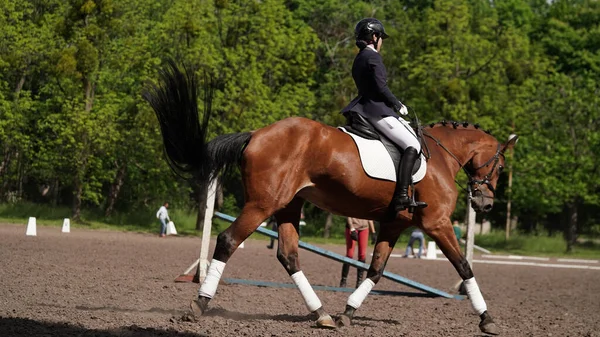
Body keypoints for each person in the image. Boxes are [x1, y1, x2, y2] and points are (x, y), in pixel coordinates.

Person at [341, 18, 427, 214]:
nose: (382, 42)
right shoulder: (373, 57)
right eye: (381, 38)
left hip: (361, 107)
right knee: (412, 145)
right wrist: (397, 104)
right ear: (374, 37)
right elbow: (381, 87)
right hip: (376, 110)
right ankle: (402, 195)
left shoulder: (359, 57)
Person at [340, 217, 376, 288]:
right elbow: (348, 215)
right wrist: (352, 228)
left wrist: (373, 232)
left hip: (364, 229)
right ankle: (343, 280)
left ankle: (359, 282)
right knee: (349, 254)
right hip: (353, 228)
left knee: (362, 255)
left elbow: (370, 217)